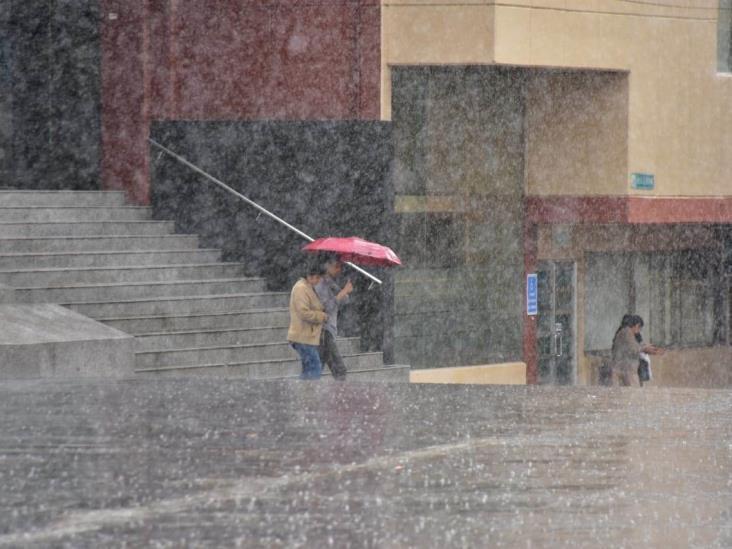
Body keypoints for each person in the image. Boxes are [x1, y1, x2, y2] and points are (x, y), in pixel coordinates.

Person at [314, 255, 354, 380]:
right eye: (336, 267)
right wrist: (343, 292)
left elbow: (344, 301)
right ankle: (341, 398)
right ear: (328, 266)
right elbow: (326, 308)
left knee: (316, 369)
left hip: (327, 332)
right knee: (339, 370)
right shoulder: (321, 285)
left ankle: (308, 392)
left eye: (340, 267)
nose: (339, 270)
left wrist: (345, 291)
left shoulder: (329, 283)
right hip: (324, 331)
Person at [287, 261, 328, 380]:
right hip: (302, 336)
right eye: (318, 278)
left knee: (308, 368)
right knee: (315, 367)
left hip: (305, 336)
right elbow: (303, 312)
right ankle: (309, 393)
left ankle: (304, 394)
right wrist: (321, 316)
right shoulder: (301, 288)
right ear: (310, 276)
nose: (319, 281)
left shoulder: (306, 287)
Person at [610, 314, 663, 387]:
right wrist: (645, 348)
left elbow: (635, 347)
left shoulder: (627, 332)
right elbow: (634, 349)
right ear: (637, 325)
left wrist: (646, 348)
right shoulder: (626, 332)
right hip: (625, 369)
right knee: (633, 393)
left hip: (626, 369)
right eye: (639, 328)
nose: (639, 331)